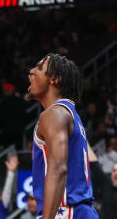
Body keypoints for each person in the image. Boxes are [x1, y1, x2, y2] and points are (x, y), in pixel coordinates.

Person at [28, 53, 98, 219]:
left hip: (66, 212)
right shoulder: (71, 114)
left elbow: (58, 169)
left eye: (39, 67)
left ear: (55, 79)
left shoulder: (54, 113)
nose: (31, 71)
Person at [87, 144, 117, 219]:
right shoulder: (107, 182)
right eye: (114, 170)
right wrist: (85, 141)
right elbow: (94, 165)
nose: (116, 173)